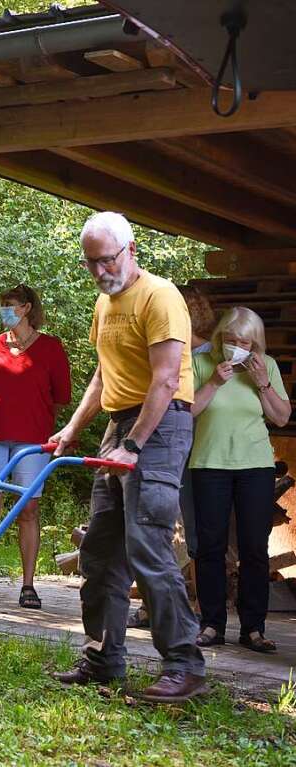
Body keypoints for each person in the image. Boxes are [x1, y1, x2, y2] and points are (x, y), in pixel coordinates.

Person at [51, 211, 206, 704]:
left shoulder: (160, 297)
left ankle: (184, 664)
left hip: (159, 427)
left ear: (130, 249)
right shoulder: (105, 303)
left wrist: (134, 444)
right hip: (121, 427)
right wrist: (73, 429)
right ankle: (103, 659)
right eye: (90, 263)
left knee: (148, 548)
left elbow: (164, 380)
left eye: (106, 261)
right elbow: (103, 374)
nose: (100, 272)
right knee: (99, 553)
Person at [0, 285, 70, 609]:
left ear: (27, 307)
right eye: (2, 305)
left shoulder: (50, 348)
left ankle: (29, 585)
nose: (4, 310)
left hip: (33, 439)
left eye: (10, 305)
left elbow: (61, 395)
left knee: (28, 509)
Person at [189, 307, 290, 653]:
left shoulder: (268, 367)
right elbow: (187, 411)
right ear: (220, 338)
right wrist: (215, 382)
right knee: (210, 548)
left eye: (243, 342)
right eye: (230, 340)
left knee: (254, 550)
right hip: (209, 464)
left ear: (255, 344)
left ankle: (253, 629)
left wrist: (262, 383)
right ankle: (212, 624)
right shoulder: (203, 364)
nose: (235, 346)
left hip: (255, 467)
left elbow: (280, 417)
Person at [128, 284, 216, 629]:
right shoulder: (167, 353)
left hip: (190, 450)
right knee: (163, 530)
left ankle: (181, 611)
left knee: (180, 532)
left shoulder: (205, 357)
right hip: (172, 448)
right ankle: (156, 606)